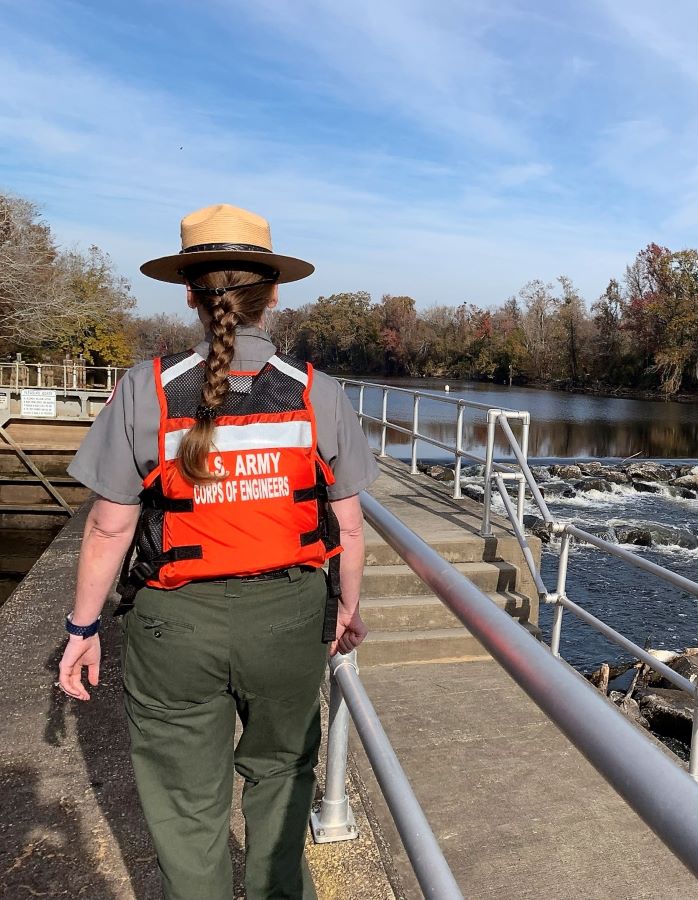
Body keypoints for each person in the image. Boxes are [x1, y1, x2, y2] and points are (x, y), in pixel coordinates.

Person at [56, 204, 379, 899]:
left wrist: (82, 629)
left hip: (175, 626)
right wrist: (345, 609)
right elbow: (349, 529)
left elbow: (110, 530)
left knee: (184, 803)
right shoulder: (319, 392)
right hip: (289, 618)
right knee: (283, 778)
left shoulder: (145, 390)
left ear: (190, 297)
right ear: (274, 295)